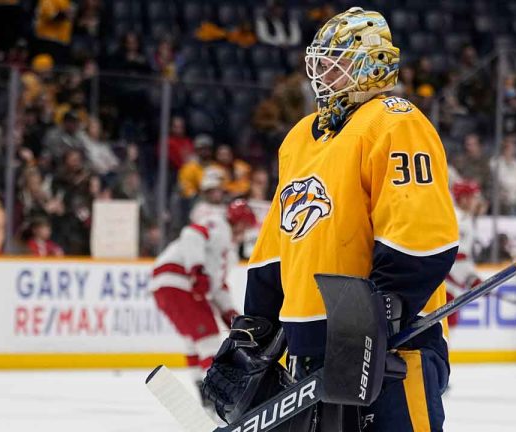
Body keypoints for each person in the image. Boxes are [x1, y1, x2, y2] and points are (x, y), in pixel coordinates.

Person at [202, 7, 458, 431]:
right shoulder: (300, 136)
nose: (321, 73)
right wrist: (257, 325)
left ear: (371, 66)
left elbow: (422, 234)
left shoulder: (395, 122)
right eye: (320, 62)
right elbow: (279, 242)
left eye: (334, 62)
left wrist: (373, 316)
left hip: (387, 352)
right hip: (310, 352)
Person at [151, 200, 255, 396]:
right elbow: (193, 234)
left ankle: (202, 387)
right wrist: (196, 270)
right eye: (245, 226)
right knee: (209, 339)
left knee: (194, 340)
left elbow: (216, 286)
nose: (245, 233)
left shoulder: (228, 252)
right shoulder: (219, 225)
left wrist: (229, 313)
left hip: (171, 285)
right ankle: (215, 393)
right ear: (239, 223)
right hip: (178, 281)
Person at [446, 180, 484, 327]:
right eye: (474, 197)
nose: (476, 201)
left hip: (451, 284)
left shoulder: (464, 218)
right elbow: (455, 256)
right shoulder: (458, 219)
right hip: (446, 284)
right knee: (445, 330)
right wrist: (471, 279)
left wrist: (472, 278)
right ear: (463, 199)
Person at [490, 134, 516, 214]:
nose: (510, 150)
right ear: (503, 148)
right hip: (502, 199)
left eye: (512, 148)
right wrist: (512, 188)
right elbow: (501, 181)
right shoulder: (495, 162)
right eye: (507, 147)